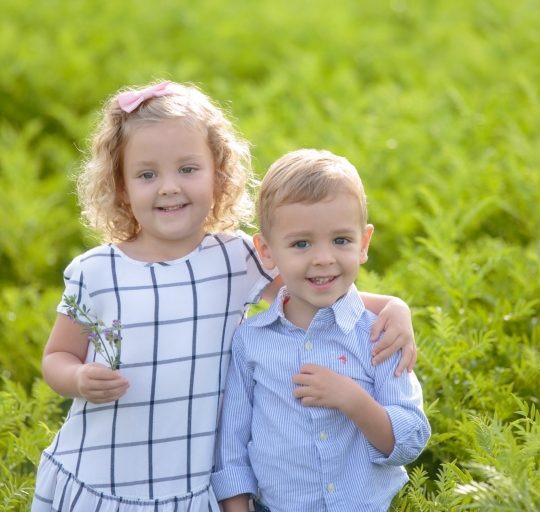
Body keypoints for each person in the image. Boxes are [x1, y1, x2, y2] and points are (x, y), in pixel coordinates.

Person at [31, 82, 418, 512]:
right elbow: (57, 357)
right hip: (104, 472)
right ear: (120, 186)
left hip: (190, 482)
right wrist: (78, 380)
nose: (169, 187)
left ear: (219, 175)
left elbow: (315, 291)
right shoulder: (97, 271)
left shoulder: (235, 257)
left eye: (188, 169)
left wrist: (394, 308)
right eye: (146, 175)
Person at [212, 149, 431, 512]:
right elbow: (231, 446)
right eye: (301, 244)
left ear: (363, 243)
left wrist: (353, 399)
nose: (324, 258)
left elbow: (410, 440)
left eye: (341, 240)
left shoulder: (378, 333)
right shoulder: (251, 341)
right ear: (267, 253)